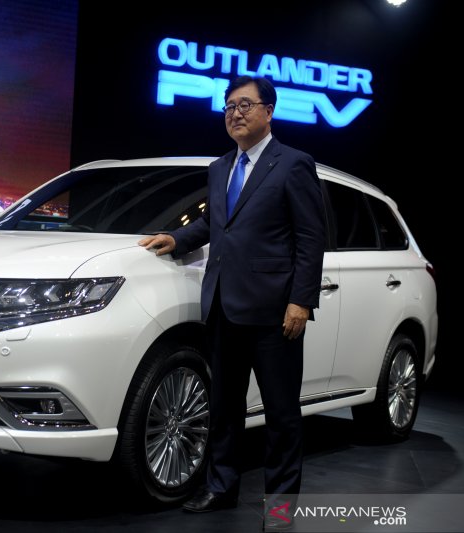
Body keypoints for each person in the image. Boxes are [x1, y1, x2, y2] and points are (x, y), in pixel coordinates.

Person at [138, 76, 325, 531]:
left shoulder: (293, 164)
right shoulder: (221, 167)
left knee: (281, 415)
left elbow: (309, 237)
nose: (234, 113)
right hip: (222, 306)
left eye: (244, 104)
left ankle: (280, 510)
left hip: (273, 313)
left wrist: (301, 301)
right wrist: (176, 237)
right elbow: (213, 224)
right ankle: (221, 488)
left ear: (269, 111)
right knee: (224, 409)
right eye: (228, 107)